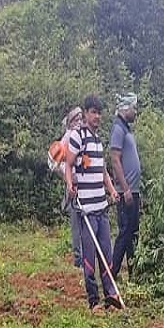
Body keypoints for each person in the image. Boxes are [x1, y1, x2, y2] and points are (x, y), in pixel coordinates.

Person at [65, 95, 122, 313]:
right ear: (86, 114)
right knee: (89, 257)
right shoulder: (77, 137)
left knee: (105, 254)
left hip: (101, 207)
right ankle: (93, 301)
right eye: (93, 112)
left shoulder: (98, 140)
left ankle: (110, 295)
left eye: (99, 113)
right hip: (86, 209)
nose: (97, 117)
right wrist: (70, 185)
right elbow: (69, 165)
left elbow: (103, 171)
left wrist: (112, 190)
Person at [108, 93, 142, 278]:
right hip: (125, 191)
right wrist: (126, 188)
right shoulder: (118, 129)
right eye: (133, 108)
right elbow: (115, 160)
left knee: (132, 232)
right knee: (124, 232)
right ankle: (112, 274)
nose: (135, 112)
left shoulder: (126, 128)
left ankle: (133, 272)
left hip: (133, 191)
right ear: (124, 109)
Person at [50, 107, 84, 268]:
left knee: (82, 222)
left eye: (80, 118)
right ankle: (79, 258)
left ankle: (83, 256)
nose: (79, 122)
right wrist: (68, 179)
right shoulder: (67, 138)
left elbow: (84, 161)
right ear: (70, 122)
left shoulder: (80, 137)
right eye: (76, 119)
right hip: (74, 186)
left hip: (82, 184)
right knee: (77, 223)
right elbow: (55, 163)